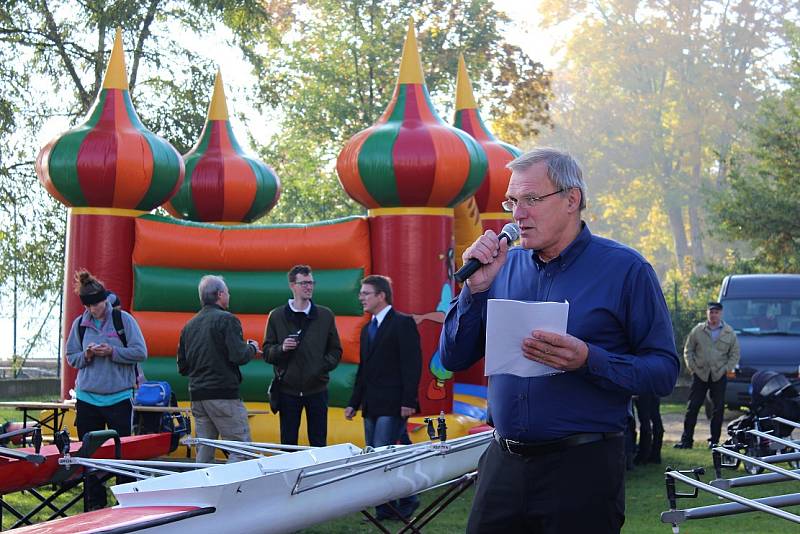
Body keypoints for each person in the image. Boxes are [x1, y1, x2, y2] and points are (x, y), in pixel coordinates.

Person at [439, 148, 679, 533]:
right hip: (503, 464)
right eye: (513, 201)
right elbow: (452, 356)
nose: (518, 214)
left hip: (582, 468)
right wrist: (474, 291)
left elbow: (663, 372)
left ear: (572, 200)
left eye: (532, 199)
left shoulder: (626, 270)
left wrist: (588, 360)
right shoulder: (501, 268)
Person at [65, 269, 147, 510]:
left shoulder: (124, 321)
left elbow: (140, 352)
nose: (94, 310)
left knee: (124, 455)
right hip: (87, 398)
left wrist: (113, 352)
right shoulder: (79, 325)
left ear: (104, 300)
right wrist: (87, 355)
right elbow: (72, 357)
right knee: (89, 457)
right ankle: (93, 507)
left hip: (119, 397)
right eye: (89, 306)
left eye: (97, 305)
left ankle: (127, 504)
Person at [345, 275, 422, 521]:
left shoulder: (402, 323)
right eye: (361, 293)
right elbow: (364, 369)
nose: (361, 297)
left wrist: (408, 401)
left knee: (382, 455)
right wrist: (353, 403)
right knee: (383, 453)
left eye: (366, 293)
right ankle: (393, 504)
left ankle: (399, 502)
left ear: (381, 295)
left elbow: (412, 364)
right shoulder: (368, 328)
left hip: (393, 404)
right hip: (371, 404)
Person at [177, 275, 258, 463]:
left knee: (204, 449)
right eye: (227, 292)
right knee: (241, 448)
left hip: (197, 395)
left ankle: (201, 489)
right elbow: (239, 356)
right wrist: (252, 348)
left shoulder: (188, 326)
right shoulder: (227, 320)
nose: (229, 295)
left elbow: (183, 367)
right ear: (220, 294)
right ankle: (233, 491)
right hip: (223, 394)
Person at [264, 265, 342, 446]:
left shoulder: (325, 315)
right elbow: (267, 352)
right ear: (293, 285)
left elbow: (336, 350)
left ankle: (320, 475)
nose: (309, 287)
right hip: (287, 391)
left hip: (317, 389)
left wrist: (320, 367)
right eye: (304, 283)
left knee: (318, 442)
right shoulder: (277, 316)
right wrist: (281, 348)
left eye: (311, 282)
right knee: (288, 443)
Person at [675, 301, 741, 449]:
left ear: (721, 313)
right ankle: (686, 440)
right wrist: (692, 367)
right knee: (693, 407)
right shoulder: (698, 330)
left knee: (718, 409)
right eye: (711, 312)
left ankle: (714, 441)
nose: (713, 315)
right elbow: (688, 350)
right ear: (707, 313)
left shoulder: (729, 333)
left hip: (719, 375)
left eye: (716, 312)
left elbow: (735, 354)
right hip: (700, 374)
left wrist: (726, 369)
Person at [634, 393, 664, 464]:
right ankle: (656, 454)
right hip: (654, 389)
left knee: (645, 421)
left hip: (643, 389)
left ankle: (643, 455)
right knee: (656, 419)